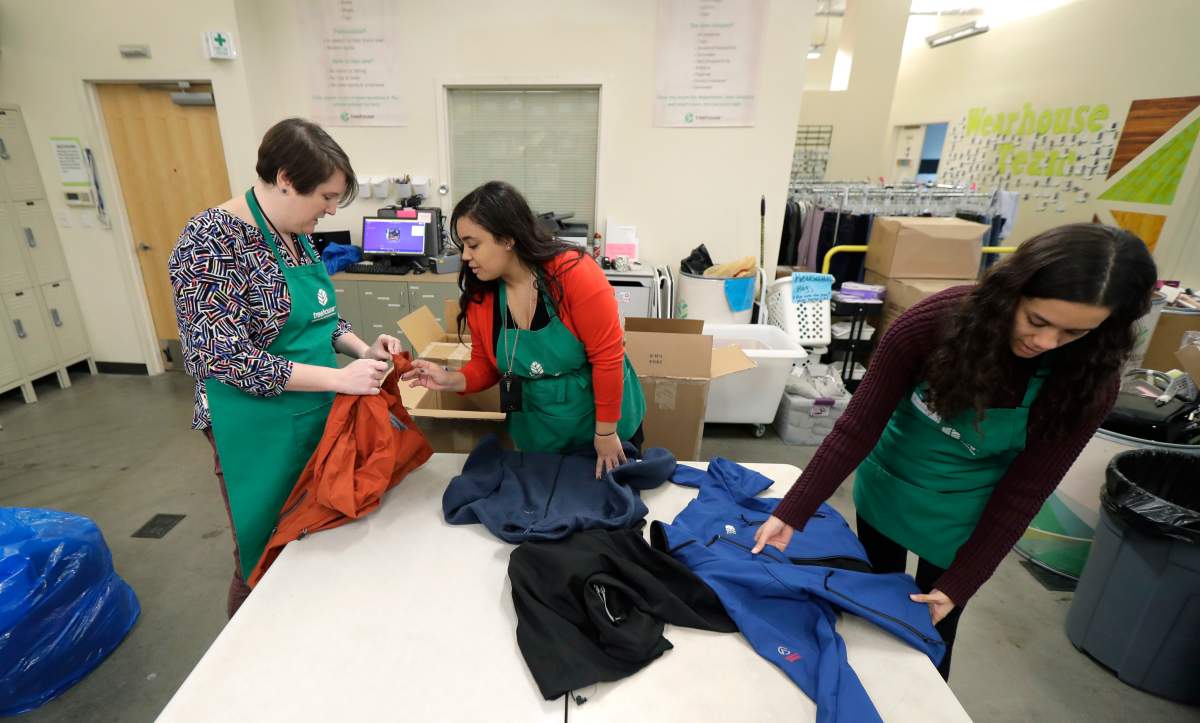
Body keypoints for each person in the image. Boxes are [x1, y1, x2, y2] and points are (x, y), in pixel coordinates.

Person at [752, 223, 1157, 679]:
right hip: (893, 481)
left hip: (967, 509)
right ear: (1012, 293)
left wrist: (959, 585)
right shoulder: (930, 324)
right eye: (1037, 321)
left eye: (1073, 333)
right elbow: (857, 427)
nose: (1045, 343)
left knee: (932, 633)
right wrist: (793, 511)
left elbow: (1026, 491)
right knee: (870, 608)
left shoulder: (1089, 380)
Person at [170, 118, 403, 618]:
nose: (331, 209)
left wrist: (364, 352)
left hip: (315, 412)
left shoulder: (295, 232)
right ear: (284, 179)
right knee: (265, 550)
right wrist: (340, 379)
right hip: (253, 426)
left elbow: (322, 318)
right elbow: (224, 357)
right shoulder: (209, 242)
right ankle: (245, 666)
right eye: (325, 196)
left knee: (314, 530)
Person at [402, 181, 646, 476]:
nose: (465, 256)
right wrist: (448, 379)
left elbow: (607, 359)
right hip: (540, 432)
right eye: (462, 246)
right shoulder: (483, 295)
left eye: (473, 244)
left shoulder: (574, 274)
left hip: (604, 428)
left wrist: (606, 434)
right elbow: (487, 365)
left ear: (507, 238)